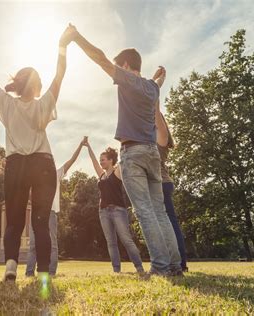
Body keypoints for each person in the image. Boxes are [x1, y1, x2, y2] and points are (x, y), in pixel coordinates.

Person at [69, 24, 182, 275]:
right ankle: (174, 265)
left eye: (120, 66)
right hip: (152, 154)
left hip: (133, 153)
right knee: (160, 212)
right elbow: (158, 81)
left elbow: (99, 58)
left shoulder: (128, 80)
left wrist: (77, 37)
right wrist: (160, 74)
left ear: (128, 66)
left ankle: (161, 267)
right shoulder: (151, 87)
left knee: (144, 212)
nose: (116, 70)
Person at [0, 25, 75, 281]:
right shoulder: (43, 104)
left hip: (17, 165)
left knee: (14, 221)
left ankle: (11, 265)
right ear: (37, 85)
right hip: (42, 164)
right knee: (40, 222)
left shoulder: (8, 104)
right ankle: (43, 273)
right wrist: (62, 45)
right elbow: (60, 74)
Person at [25, 138, 85, 277]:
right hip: (36, 213)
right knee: (33, 244)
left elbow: (72, 160)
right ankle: (29, 272)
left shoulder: (57, 174)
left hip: (50, 213)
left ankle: (51, 272)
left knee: (52, 244)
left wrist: (80, 145)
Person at [84, 139, 144, 274]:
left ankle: (139, 267)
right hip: (103, 212)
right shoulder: (101, 175)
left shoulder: (117, 172)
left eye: (103, 159)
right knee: (111, 243)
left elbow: (124, 159)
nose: (101, 162)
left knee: (126, 240)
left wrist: (126, 144)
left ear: (111, 160)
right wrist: (88, 146)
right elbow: (93, 161)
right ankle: (116, 270)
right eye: (101, 160)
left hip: (118, 210)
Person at [155, 100, 188, 272]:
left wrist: (154, 98)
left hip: (161, 184)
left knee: (169, 224)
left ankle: (180, 262)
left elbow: (156, 113)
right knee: (168, 223)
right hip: (164, 183)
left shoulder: (160, 138)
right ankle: (178, 261)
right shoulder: (159, 139)